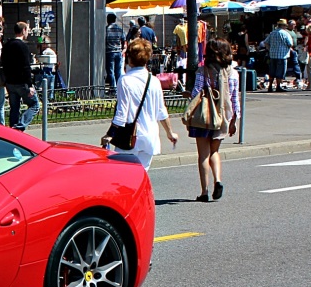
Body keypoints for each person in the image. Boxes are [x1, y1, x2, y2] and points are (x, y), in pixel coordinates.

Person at [101, 38, 177, 170]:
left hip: (129, 138)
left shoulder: (125, 80)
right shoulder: (154, 81)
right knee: (141, 177)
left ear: (129, 59)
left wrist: (110, 134)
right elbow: (161, 111)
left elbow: (121, 113)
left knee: (125, 179)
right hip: (149, 137)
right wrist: (170, 133)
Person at [184, 37, 240, 201]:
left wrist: (188, 97)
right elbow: (234, 98)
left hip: (203, 117)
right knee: (215, 152)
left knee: (203, 155)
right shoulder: (233, 73)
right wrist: (234, 120)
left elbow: (196, 93)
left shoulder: (203, 71)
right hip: (222, 117)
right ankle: (218, 180)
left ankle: (204, 191)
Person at [1, 21, 37, 130]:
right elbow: (26, 66)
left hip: (10, 82)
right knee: (35, 105)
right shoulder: (22, 46)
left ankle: (12, 129)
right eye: (27, 30)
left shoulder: (7, 45)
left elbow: (3, 63)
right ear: (23, 30)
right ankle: (20, 126)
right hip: (22, 82)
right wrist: (30, 84)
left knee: (14, 108)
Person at [262, 19, 294, 92]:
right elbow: (290, 44)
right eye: (285, 26)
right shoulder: (285, 33)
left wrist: (270, 49)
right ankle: (278, 86)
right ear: (283, 26)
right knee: (280, 71)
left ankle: (270, 86)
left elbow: (266, 42)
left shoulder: (272, 33)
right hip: (282, 55)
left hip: (272, 55)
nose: (286, 27)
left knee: (272, 71)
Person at [105, 12, 126, 93]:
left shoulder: (106, 29)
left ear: (107, 20)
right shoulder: (120, 29)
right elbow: (124, 41)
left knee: (110, 71)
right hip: (118, 52)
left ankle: (113, 89)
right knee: (118, 71)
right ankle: (119, 88)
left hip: (109, 52)